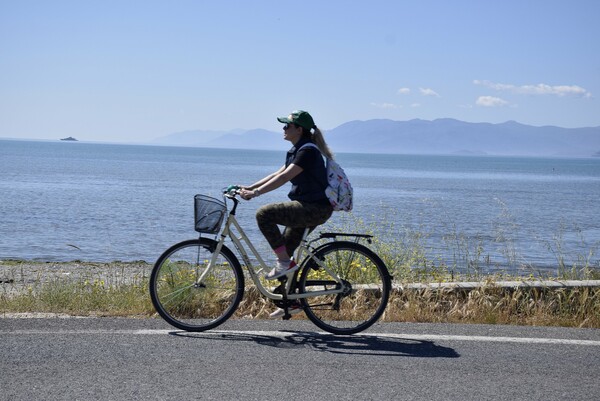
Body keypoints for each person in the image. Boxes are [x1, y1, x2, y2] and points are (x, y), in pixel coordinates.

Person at [239, 110, 334, 318]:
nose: (283, 129)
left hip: (314, 209)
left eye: (287, 126)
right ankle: (293, 301)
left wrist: (254, 194)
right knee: (285, 250)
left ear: (299, 129)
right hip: (308, 206)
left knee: (264, 214)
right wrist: (249, 186)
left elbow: (284, 179)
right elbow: (277, 174)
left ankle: (285, 263)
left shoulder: (307, 152)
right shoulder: (298, 149)